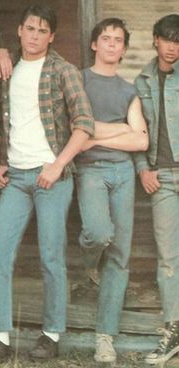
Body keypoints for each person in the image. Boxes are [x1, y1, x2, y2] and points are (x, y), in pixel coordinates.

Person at [0, 3, 95, 366]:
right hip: (15, 178)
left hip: (52, 178)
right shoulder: (7, 68)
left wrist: (58, 165)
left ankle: (51, 334)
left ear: (52, 36)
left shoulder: (64, 71)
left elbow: (84, 125)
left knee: (50, 256)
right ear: (19, 30)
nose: (34, 35)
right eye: (29, 28)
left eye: (42, 30)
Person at [75, 18, 148, 363]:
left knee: (119, 255)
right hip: (90, 169)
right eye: (105, 38)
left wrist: (96, 132)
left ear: (123, 48)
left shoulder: (128, 90)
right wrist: (120, 130)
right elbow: (75, 131)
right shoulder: (79, 80)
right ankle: (90, 263)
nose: (111, 45)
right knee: (99, 232)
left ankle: (105, 337)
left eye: (118, 40)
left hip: (122, 172)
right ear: (94, 44)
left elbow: (142, 139)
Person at [134, 14, 179, 365]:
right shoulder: (142, 80)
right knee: (168, 259)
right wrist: (142, 169)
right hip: (161, 179)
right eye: (167, 40)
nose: (173, 47)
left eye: (178, 41)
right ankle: (173, 331)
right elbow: (136, 132)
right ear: (155, 40)